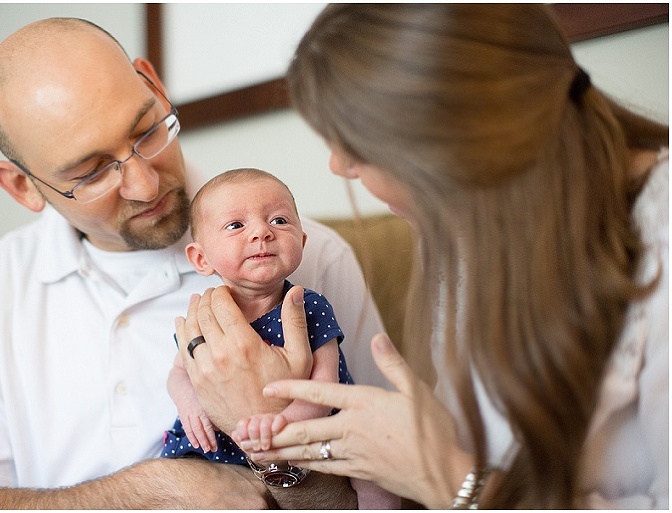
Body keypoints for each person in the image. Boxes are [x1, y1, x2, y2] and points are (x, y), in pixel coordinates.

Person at [0, 17, 387, 509]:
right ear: (23, 187)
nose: (146, 185)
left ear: (156, 87)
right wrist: (157, 491)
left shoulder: (312, 256)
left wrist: (275, 454)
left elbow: (375, 478)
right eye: (93, 172)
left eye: (146, 132)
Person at [223, 4, 667, 509]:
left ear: (460, 134)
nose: (338, 165)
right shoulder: (466, 243)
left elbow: (454, 474)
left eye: (356, 144)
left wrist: (445, 477)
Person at [161, 168, 399, 509]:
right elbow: (179, 371)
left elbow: (326, 386)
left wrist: (282, 422)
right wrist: (189, 403)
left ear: (301, 242)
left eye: (280, 221)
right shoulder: (207, 315)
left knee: (377, 466)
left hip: (316, 429)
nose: (262, 232)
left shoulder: (308, 306)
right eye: (236, 225)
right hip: (221, 441)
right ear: (201, 258)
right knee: (180, 480)